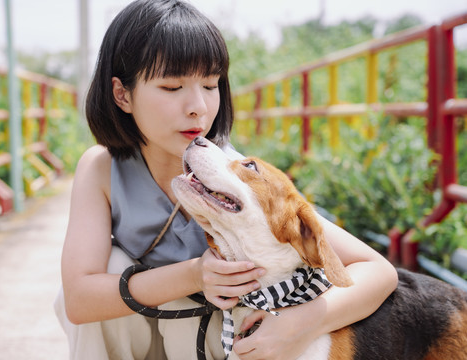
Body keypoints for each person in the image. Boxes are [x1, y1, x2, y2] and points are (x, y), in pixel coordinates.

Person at [54, 0, 398, 359]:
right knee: (112, 267)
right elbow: (78, 300)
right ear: (122, 94)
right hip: (137, 331)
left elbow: (378, 270)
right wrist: (194, 275)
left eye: (210, 84)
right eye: (172, 87)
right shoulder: (101, 169)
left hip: (213, 337)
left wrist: (301, 323)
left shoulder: (234, 179)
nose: (198, 107)